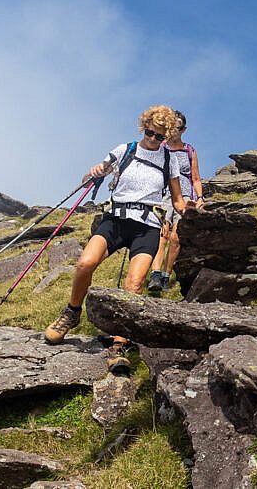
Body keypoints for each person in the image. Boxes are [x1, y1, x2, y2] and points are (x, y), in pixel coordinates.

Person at [44, 105, 188, 373]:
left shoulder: (170, 161)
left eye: (159, 136)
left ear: (167, 136)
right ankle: (71, 313)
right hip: (116, 220)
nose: (153, 139)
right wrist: (95, 170)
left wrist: (191, 209)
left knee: (134, 284)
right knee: (85, 263)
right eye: (149, 133)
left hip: (147, 226)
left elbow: (178, 200)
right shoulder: (126, 150)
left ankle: (119, 345)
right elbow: (89, 177)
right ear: (143, 127)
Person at [147, 110, 203, 295]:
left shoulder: (189, 150)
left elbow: (195, 178)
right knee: (161, 234)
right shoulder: (160, 147)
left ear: (183, 129)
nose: (173, 131)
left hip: (185, 195)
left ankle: (166, 274)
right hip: (163, 195)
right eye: (172, 127)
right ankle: (155, 275)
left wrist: (200, 197)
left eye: (177, 128)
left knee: (176, 237)